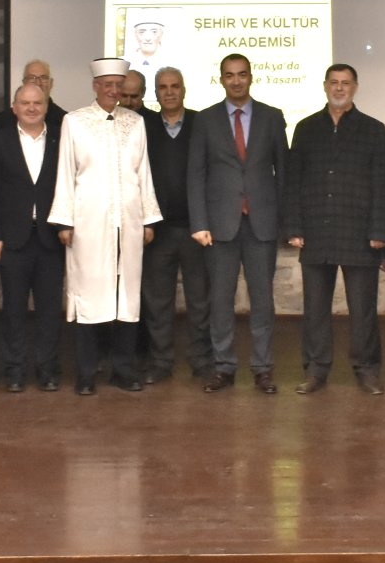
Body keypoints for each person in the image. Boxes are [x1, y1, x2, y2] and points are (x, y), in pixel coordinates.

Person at [49, 58, 162, 394]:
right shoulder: (75, 121)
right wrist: (64, 220)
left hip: (128, 221)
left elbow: (143, 172)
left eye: (119, 85)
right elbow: (66, 172)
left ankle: (123, 370)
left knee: (126, 297)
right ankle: (86, 372)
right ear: (96, 86)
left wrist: (149, 217)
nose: (114, 91)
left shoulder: (136, 122)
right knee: (89, 296)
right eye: (108, 84)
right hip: (88, 222)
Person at [286, 63, 385, 395]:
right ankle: (316, 370)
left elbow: (383, 184)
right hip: (316, 230)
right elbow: (292, 182)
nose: (339, 88)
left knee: (363, 309)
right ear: (324, 86)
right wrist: (293, 226)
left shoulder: (374, 129)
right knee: (315, 308)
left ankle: (366, 369)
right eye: (334, 82)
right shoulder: (305, 128)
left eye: (346, 83)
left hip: (360, 233)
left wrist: (379, 230)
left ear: (356, 87)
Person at [189, 54, 288, 394]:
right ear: (221, 79)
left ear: (251, 77)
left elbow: (283, 173)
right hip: (218, 226)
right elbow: (196, 174)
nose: (236, 81)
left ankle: (263, 368)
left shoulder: (273, 118)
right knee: (220, 300)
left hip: (261, 223)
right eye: (229, 75)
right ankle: (224, 367)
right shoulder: (205, 120)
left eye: (242, 74)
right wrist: (199, 222)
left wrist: (284, 222)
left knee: (263, 301)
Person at [0, 82, 66, 392]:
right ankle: (15, 370)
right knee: (13, 310)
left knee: (48, 311)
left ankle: (47, 369)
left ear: (46, 106)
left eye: (37, 103)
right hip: (12, 240)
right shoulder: (0, 141)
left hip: (51, 240)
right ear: (14, 108)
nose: (32, 108)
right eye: (25, 103)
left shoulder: (61, 140)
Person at [141, 67, 210, 382]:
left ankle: (201, 361)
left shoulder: (202, 124)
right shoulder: (143, 126)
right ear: (156, 93)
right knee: (158, 302)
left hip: (196, 229)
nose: (169, 92)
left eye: (174, 86)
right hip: (158, 230)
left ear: (184, 89)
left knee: (200, 300)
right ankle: (161, 362)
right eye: (162, 87)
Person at [0, 59, 67, 136]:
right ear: (23, 82)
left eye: (43, 78)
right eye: (32, 78)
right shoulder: (5, 119)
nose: (38, 83)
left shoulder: (64, 120)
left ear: (51, 83)